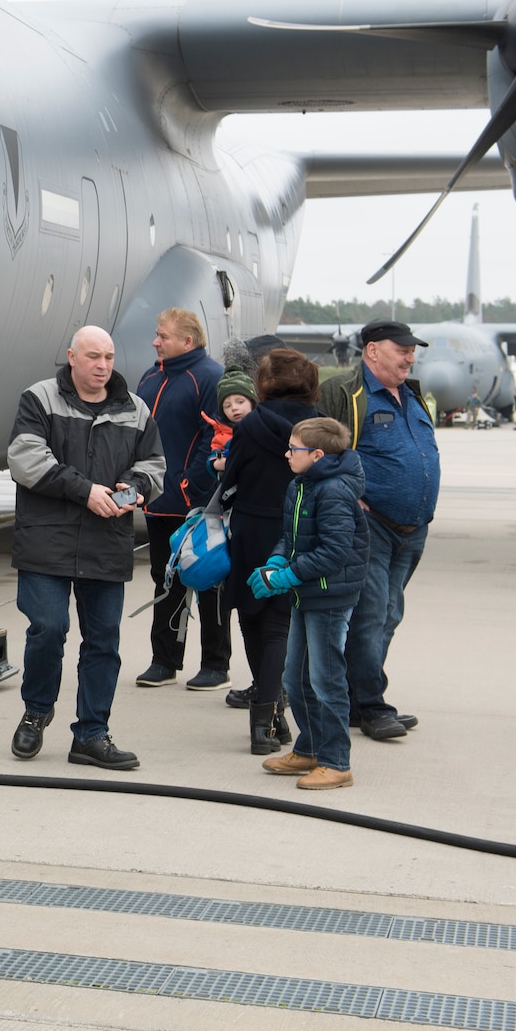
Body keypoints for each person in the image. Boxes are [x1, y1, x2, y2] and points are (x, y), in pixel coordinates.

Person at [7, 326, 166, 772]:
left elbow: (155, 465)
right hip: (47, 540)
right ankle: (36, 712)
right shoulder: (39, 399)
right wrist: (85, 491)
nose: (103, 366)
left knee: (103, 642)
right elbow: (25, 459)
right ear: (72, 357)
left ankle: (92, 734)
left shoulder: (135, 409)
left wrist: (134, 488)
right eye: (93, 356)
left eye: (109, 357)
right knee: (47, 627)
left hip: (106, 543)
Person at [317, 320, 438, 742]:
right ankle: (371, 706)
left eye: (412, 350)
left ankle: (355, 701)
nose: (411, 356)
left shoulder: (412, 394)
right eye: (402, 348)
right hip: (370, 526)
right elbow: (321, 451)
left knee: (388, 614)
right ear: (372, 351)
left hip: (413, 527)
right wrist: (350, 497)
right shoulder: (344, 394)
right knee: (369, 616)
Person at [216, 349, 323, 752]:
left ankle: (267, 710)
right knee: (281, 623)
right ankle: (269, 717)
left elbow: (232, 479)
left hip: (252, 527)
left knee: (252, 616)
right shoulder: (317, 428)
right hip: (297, 528)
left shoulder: (251, 424)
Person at [254, 417, 368, 790]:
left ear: (317, 454)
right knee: (296, 677)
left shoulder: (333, 491)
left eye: (294, 449)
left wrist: (289, 575)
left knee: (326, 679)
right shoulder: (301, 485)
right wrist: (276, 561)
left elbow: (334, 552)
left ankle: (337, 763)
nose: (287, 454)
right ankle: (311, 748)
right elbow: (290, 537)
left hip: (330, 597)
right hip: (308, 591)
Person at [134, 308, 228, 690]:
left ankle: (216, 665)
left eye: (163, 336)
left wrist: (192, 486)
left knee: (207, 580)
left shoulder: (209, 377)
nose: (156, 341)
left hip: (198, 504)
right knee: (166, 579)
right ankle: (165, 660)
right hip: (158, 501)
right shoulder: (151, 376)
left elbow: (217, 436)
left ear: (187, 341)